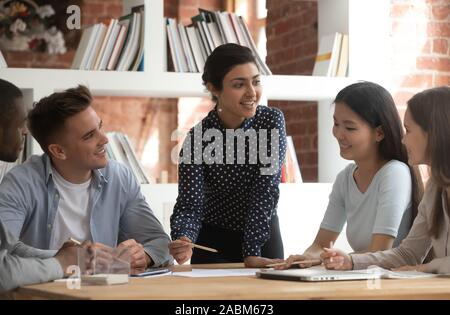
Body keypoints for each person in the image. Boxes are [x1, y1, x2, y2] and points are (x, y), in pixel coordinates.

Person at [0, 85, 172, 274]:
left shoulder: (119, 178)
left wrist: (144, 255)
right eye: (89, 136)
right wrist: (73, 259)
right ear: (59, 151)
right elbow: (6, 250)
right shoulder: (20, 182)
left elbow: (160, 242)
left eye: (99, 127)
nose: (104, 139)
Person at [279, 81, 422, 269]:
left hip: (390, 280)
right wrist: (305, 258)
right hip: (360, 277)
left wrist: (325, 259)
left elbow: (379, 250)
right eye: (336, 123)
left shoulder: (394, 173)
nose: (338, 134)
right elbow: (320, 244)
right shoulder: (345, 178)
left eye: (350, 128)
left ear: (379, 133)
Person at [169, 43, 286, 268]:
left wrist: (251, 249)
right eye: (239, 84)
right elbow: (190, 203)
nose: (252, 92)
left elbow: (266, 188)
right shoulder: (197, 139)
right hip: (213, 242)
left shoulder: (271, 121)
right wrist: (184, 238)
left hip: (263, 236)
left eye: (256, 81)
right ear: (214, 88)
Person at [321, 86, 450, 274]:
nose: (403, 140)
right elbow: (408, 254)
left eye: (408, 130)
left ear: (433, 133)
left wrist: (429, 267)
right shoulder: (435, 188)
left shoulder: (395, 172)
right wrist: (350, 261)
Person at [0, 78, 80, 292]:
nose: (25, 131)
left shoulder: (120, 176)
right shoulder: (20, 179)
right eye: (19, 123)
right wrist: (60, 264)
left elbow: (8, 247)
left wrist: (70, 257)